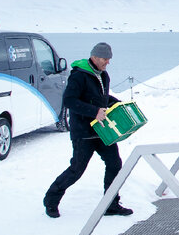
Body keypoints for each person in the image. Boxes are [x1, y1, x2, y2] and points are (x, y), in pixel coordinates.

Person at [43, 42, 134, 218]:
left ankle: (111, 204)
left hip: (102, 131)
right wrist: (94, 111)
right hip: (83, 133)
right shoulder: (79, 75)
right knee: (77, 170)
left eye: (109, 59)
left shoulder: (103, 75)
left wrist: (116, 103)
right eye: (104, 59)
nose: (107, 62)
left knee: (115, 164)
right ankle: (51, 200)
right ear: (94, 57)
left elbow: (101, 97)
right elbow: (69, 100)